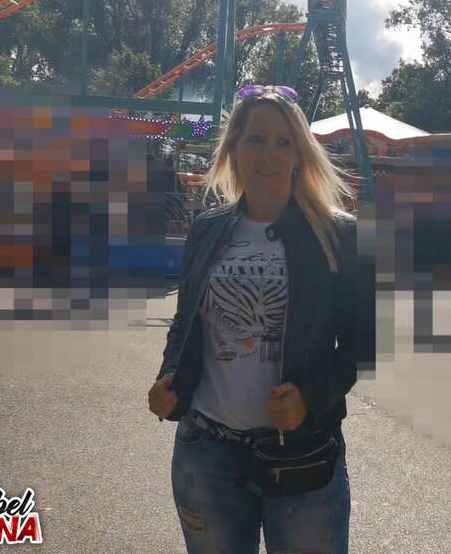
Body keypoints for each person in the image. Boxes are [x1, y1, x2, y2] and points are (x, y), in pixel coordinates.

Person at [147, 83, 374, 554]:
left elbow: (363, 343)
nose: (267, 155)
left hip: (302, 454)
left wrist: (310, 396)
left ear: (299, 155)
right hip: (206, 453)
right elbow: (186, 322)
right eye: (254, 139)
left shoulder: (339, 235)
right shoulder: (207, 228)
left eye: (282, 141)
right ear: (233, 148)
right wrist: (169, 377)